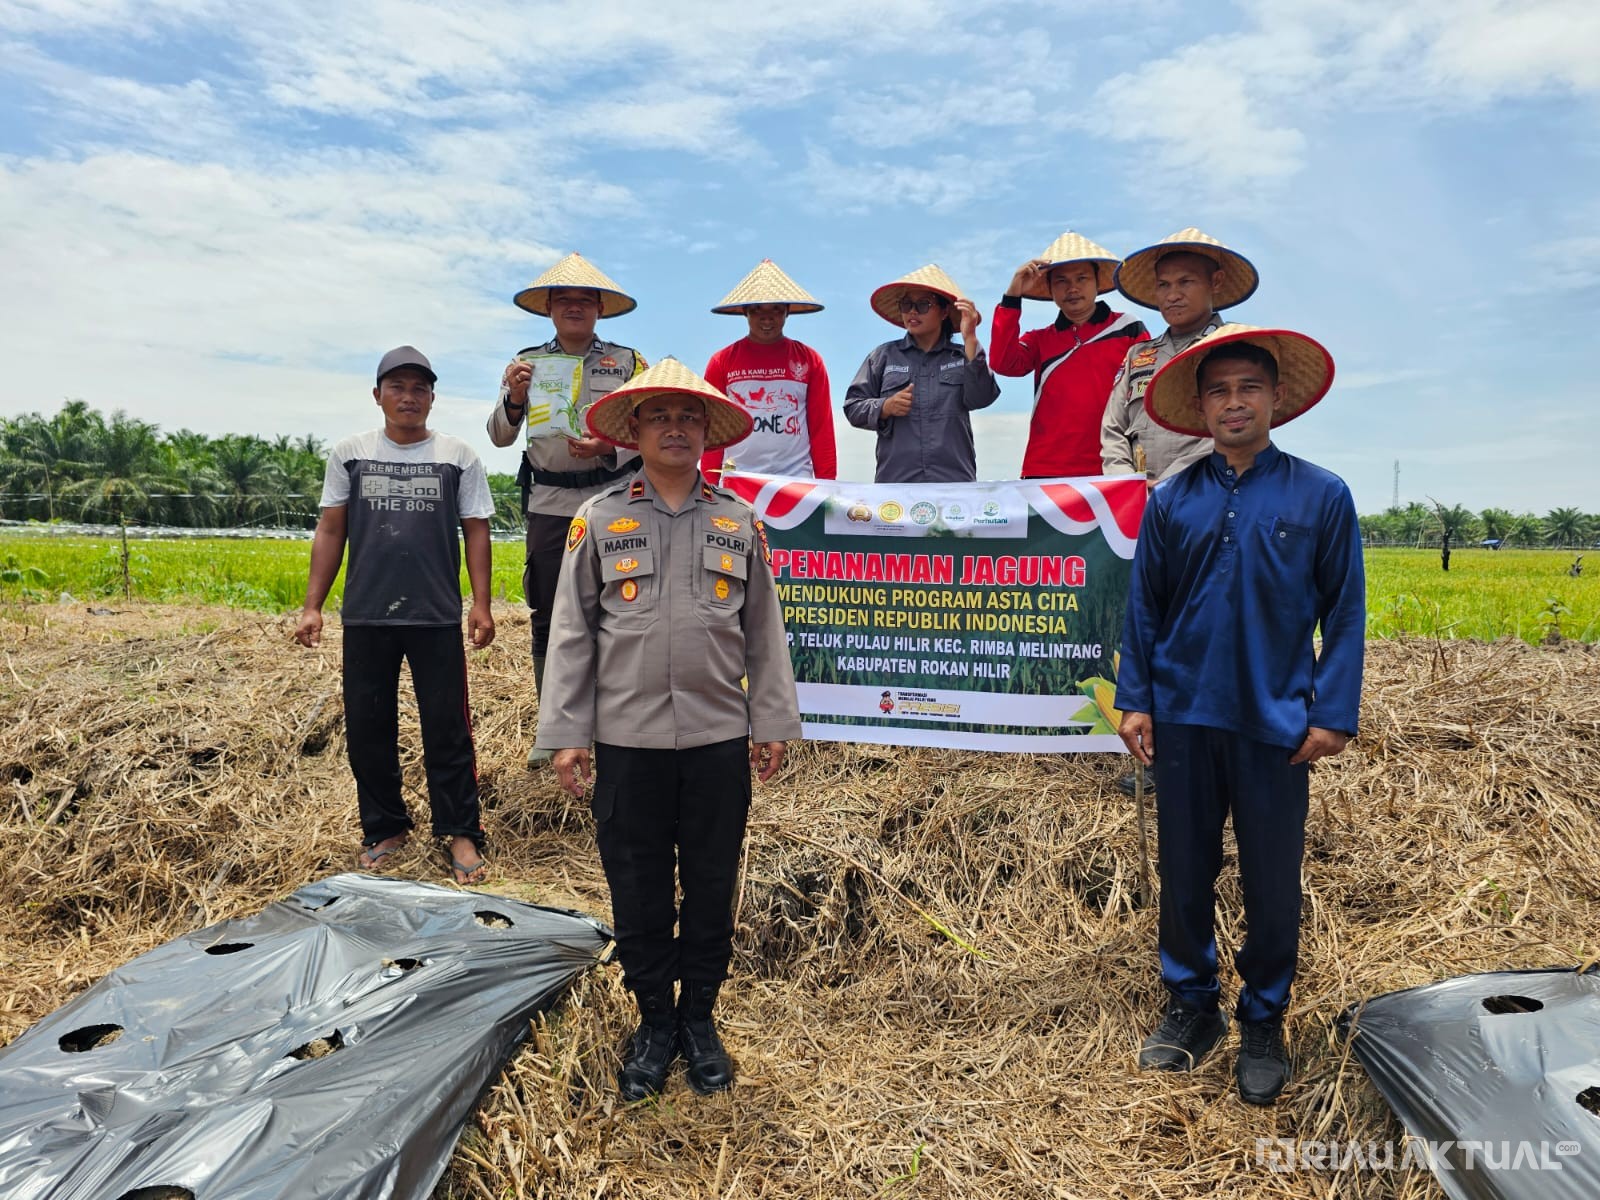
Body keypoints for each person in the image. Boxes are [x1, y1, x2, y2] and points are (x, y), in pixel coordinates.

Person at [535, 357, 801, 1102]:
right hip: (627, 743)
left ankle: (700, 1021)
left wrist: (770, 720)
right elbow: (572, 634)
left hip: (718, 741)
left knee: (712, 887)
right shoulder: (600, 519)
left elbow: (763, 635)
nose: (675, 429)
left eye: (689, 418)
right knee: (640, 890)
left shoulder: (737, 520)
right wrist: (566, 733)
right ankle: (654, 1022)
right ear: (637, 432)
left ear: (708, 433)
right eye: (659, 417)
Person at [1115, 325, 1364, 1106]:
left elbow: (1346, 612)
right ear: (1198, 406)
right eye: (1217, 390)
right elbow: (1145, 608)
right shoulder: (1172, 501)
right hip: (1185, 714)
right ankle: (1192, 1006)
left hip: (1276, 723)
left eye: (1247, 388)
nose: (1232, 403)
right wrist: (1135, 699)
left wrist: (1332, 711)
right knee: (1182, 869)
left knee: (1271, 878)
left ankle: (1264, 1016)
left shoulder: (1320, 495)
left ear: (1276, 399)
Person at [296, 347, 497, 884]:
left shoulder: (457, 456)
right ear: (378, 394)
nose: (408, 398)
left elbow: (477, 529)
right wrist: (313, 605)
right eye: (397, 388)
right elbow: (331, 528)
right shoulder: (351, 453)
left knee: (447, 728)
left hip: (434, 615)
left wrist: (480, 603)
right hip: (366, 613)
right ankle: (385, 827)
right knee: (368, 727)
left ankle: (460, 832)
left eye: (419, 389)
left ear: (432, 398)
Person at [486, 252, 646, 766]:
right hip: (551, 503)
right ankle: (553, 729)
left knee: (622, 608)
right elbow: (499, 436)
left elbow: (649, 430)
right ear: (550, 308)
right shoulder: (526, 361)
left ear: (599, 308)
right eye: (564, 300)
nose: (574, 307)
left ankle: (615, 725)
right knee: (549, 615)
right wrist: (514, 396)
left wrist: (608, 448)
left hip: (614, 499)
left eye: (584, 300)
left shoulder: (627, 363)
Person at [1101, 228, 1260, 485]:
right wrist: (1127, 483)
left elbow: (1232, 426)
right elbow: (1112, 428)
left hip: (1211, 491)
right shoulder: (1139, 355)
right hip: (1136, 501)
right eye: (1163, 285)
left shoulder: (1235, 348)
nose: (1173, 295)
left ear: (1216, 282)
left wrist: (1166, 486)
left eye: (1185, 282)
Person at [989, 232, 1148, 478]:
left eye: (1081, 278)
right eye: (1061, 281)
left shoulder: (1128, 328)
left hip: (1113, 465)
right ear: (1050, 289)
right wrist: (1012, 296)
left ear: (1097, 282)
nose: (1072, 288)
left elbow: (1145, 393)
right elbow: (1003, 364)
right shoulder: (1039, 339)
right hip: (1045, 467)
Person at [845, 264, 999, 483]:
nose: (912, 312)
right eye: (906, 304)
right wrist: (885, 407)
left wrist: (970, 338)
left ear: (945, 311)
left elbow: (982, 397)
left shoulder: (963, 356)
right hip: (896, 483)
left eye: (923, 305)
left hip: (954, 482)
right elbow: (852, 407)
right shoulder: (882, 356)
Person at [701, 258, 836, 485]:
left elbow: (821, 428)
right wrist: (708, 486)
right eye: (757, 310)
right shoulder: (722, 361)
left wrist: (828, 485)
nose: (767, 318)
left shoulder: (809, 360)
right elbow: (711, 429)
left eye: (775, 309)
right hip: (738, 481)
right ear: (745, 312)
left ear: (787, 312)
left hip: (796, 483)